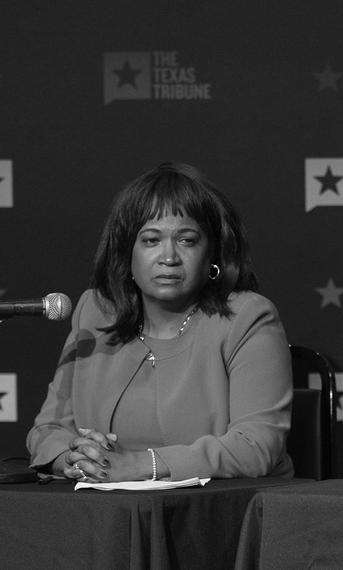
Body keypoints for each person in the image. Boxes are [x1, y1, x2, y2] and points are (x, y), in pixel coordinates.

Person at [27, 162, 294, 482]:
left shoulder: (247, 318)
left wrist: (140, 465)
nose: (169, 257)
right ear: (127, 253)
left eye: (187, 240)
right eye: (151, 240)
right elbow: (48, 430)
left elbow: (256, 447)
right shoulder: (95, 312)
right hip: (113, 511)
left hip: (226, 511)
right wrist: (72, 457)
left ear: (213, 254)